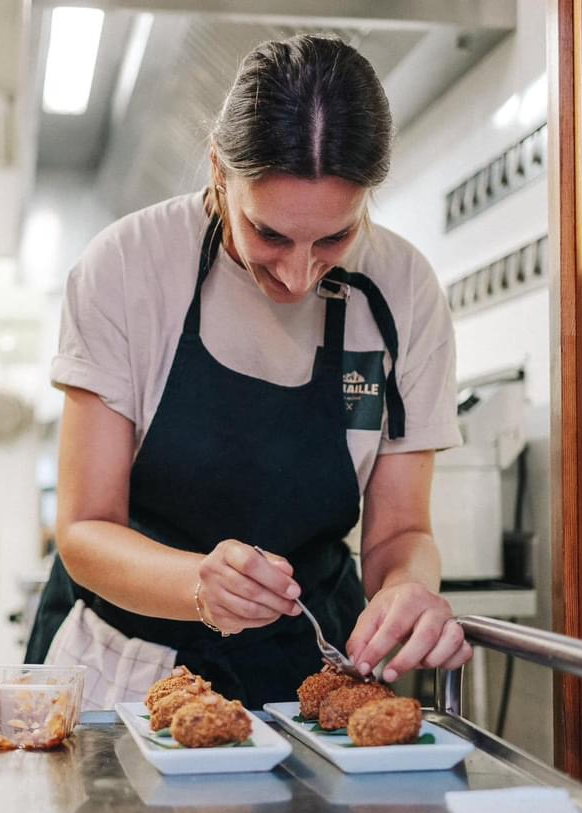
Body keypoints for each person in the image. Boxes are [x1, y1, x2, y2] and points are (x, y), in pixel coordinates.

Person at [24, 35, 473, 710]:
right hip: (124, 667)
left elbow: (401, 534)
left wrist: (408, 589)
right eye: (269, 234)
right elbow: (85, 527)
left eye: (333, 238)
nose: (297, 273)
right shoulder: (127, 267)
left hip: (312, 670)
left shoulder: (404, 290)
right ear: (217, 170)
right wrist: (196, 583)